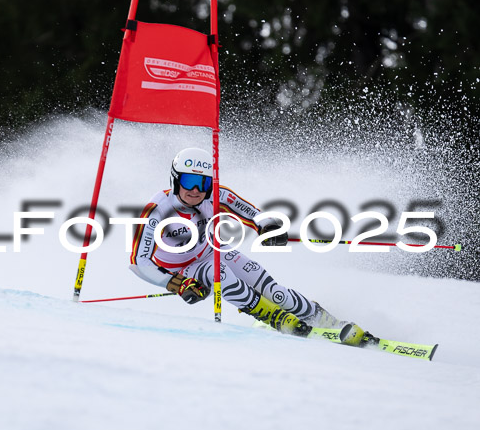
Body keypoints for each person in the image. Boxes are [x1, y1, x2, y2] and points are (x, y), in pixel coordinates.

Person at [129, 147, 372, 346]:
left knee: (275, 292)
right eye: (189, 181)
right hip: (185, 270)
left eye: (202, 183)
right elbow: (138, 262)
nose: (195, 190)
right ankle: (275, 318)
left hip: (214, 252)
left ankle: (328, 321)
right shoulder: (157, 211)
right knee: (223, 278)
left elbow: (250, 212)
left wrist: (267, 227)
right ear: (175, 180)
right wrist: (178, 284)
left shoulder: (214, 195)